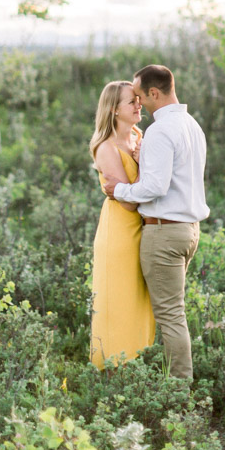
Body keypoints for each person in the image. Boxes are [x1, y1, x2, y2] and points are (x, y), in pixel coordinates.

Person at [103, 64, 209, 380]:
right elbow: (177, 176)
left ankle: (179, 389)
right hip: (188, 231)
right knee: (172, 312)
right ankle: (170, 378)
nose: (138, 103)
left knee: (171, 316)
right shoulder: (191, 125)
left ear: (153, 93)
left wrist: (117, 189)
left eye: (139, 96)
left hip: (164, 232)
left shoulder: (161, 130)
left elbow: (156, 187)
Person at [89, 80, 156, 369]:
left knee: (141, 302)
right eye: (132, 101)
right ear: (115, 110)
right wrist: (146, 169)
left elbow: (135, 188)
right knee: (119, 301)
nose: (139, 104)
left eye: (139, 99)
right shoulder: (106, 148)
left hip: (143, 230)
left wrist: (144, 162)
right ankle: (112, 369)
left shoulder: (139, 136)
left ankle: (139, 369)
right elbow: (128, 201)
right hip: (119, 233)